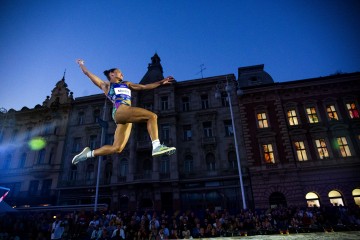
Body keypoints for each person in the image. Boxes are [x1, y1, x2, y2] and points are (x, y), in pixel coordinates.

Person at [72, 59, 176, 164]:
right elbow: (88, 74)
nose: (122, 74)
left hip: (125, 116)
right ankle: (157, 146)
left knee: (117, 148)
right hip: (120, 110)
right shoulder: (106, 85)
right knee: (152, 116)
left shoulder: (126, 83)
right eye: (119, 72)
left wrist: (161, 82)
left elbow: (144, 87)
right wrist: (81, 64)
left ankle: (88, 153)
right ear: (112, 74)